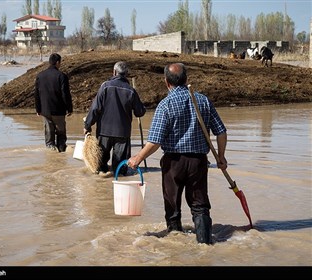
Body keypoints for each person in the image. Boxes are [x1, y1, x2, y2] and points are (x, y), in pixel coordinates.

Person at [127, 63, 228, 245]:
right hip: (198, 162)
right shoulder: (203, 101)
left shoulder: (165, 105)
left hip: (173, 163)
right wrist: (221, 157)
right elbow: (221, 132)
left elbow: (155, 141)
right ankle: (205, 245)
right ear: (186, 79)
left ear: (166, 82)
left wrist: (137, 158)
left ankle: (175, 244)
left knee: (172, 204)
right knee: (200, 205)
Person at [83, 61, 146, 176]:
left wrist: (87, 125)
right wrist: (142, 107)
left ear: (114, 72)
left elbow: (95, 109)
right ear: (126, 74)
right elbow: (140, 112)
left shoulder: (105, 86)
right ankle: (118, 184)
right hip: (122, 133)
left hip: (104, 132)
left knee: (100, 166)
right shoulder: (131, 91)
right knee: (120, 169)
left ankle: (101, 187)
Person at [35, 53, 73, 152]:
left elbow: (37, 94)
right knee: (61, 137)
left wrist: (38, 109)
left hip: (45, 110)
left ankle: (51, 157)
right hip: (59, 110)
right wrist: (69, 108)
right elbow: (65, 94)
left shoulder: (40, 76)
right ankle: (61, 154)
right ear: (57, 62)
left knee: (49, 137)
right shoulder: (62, 76)